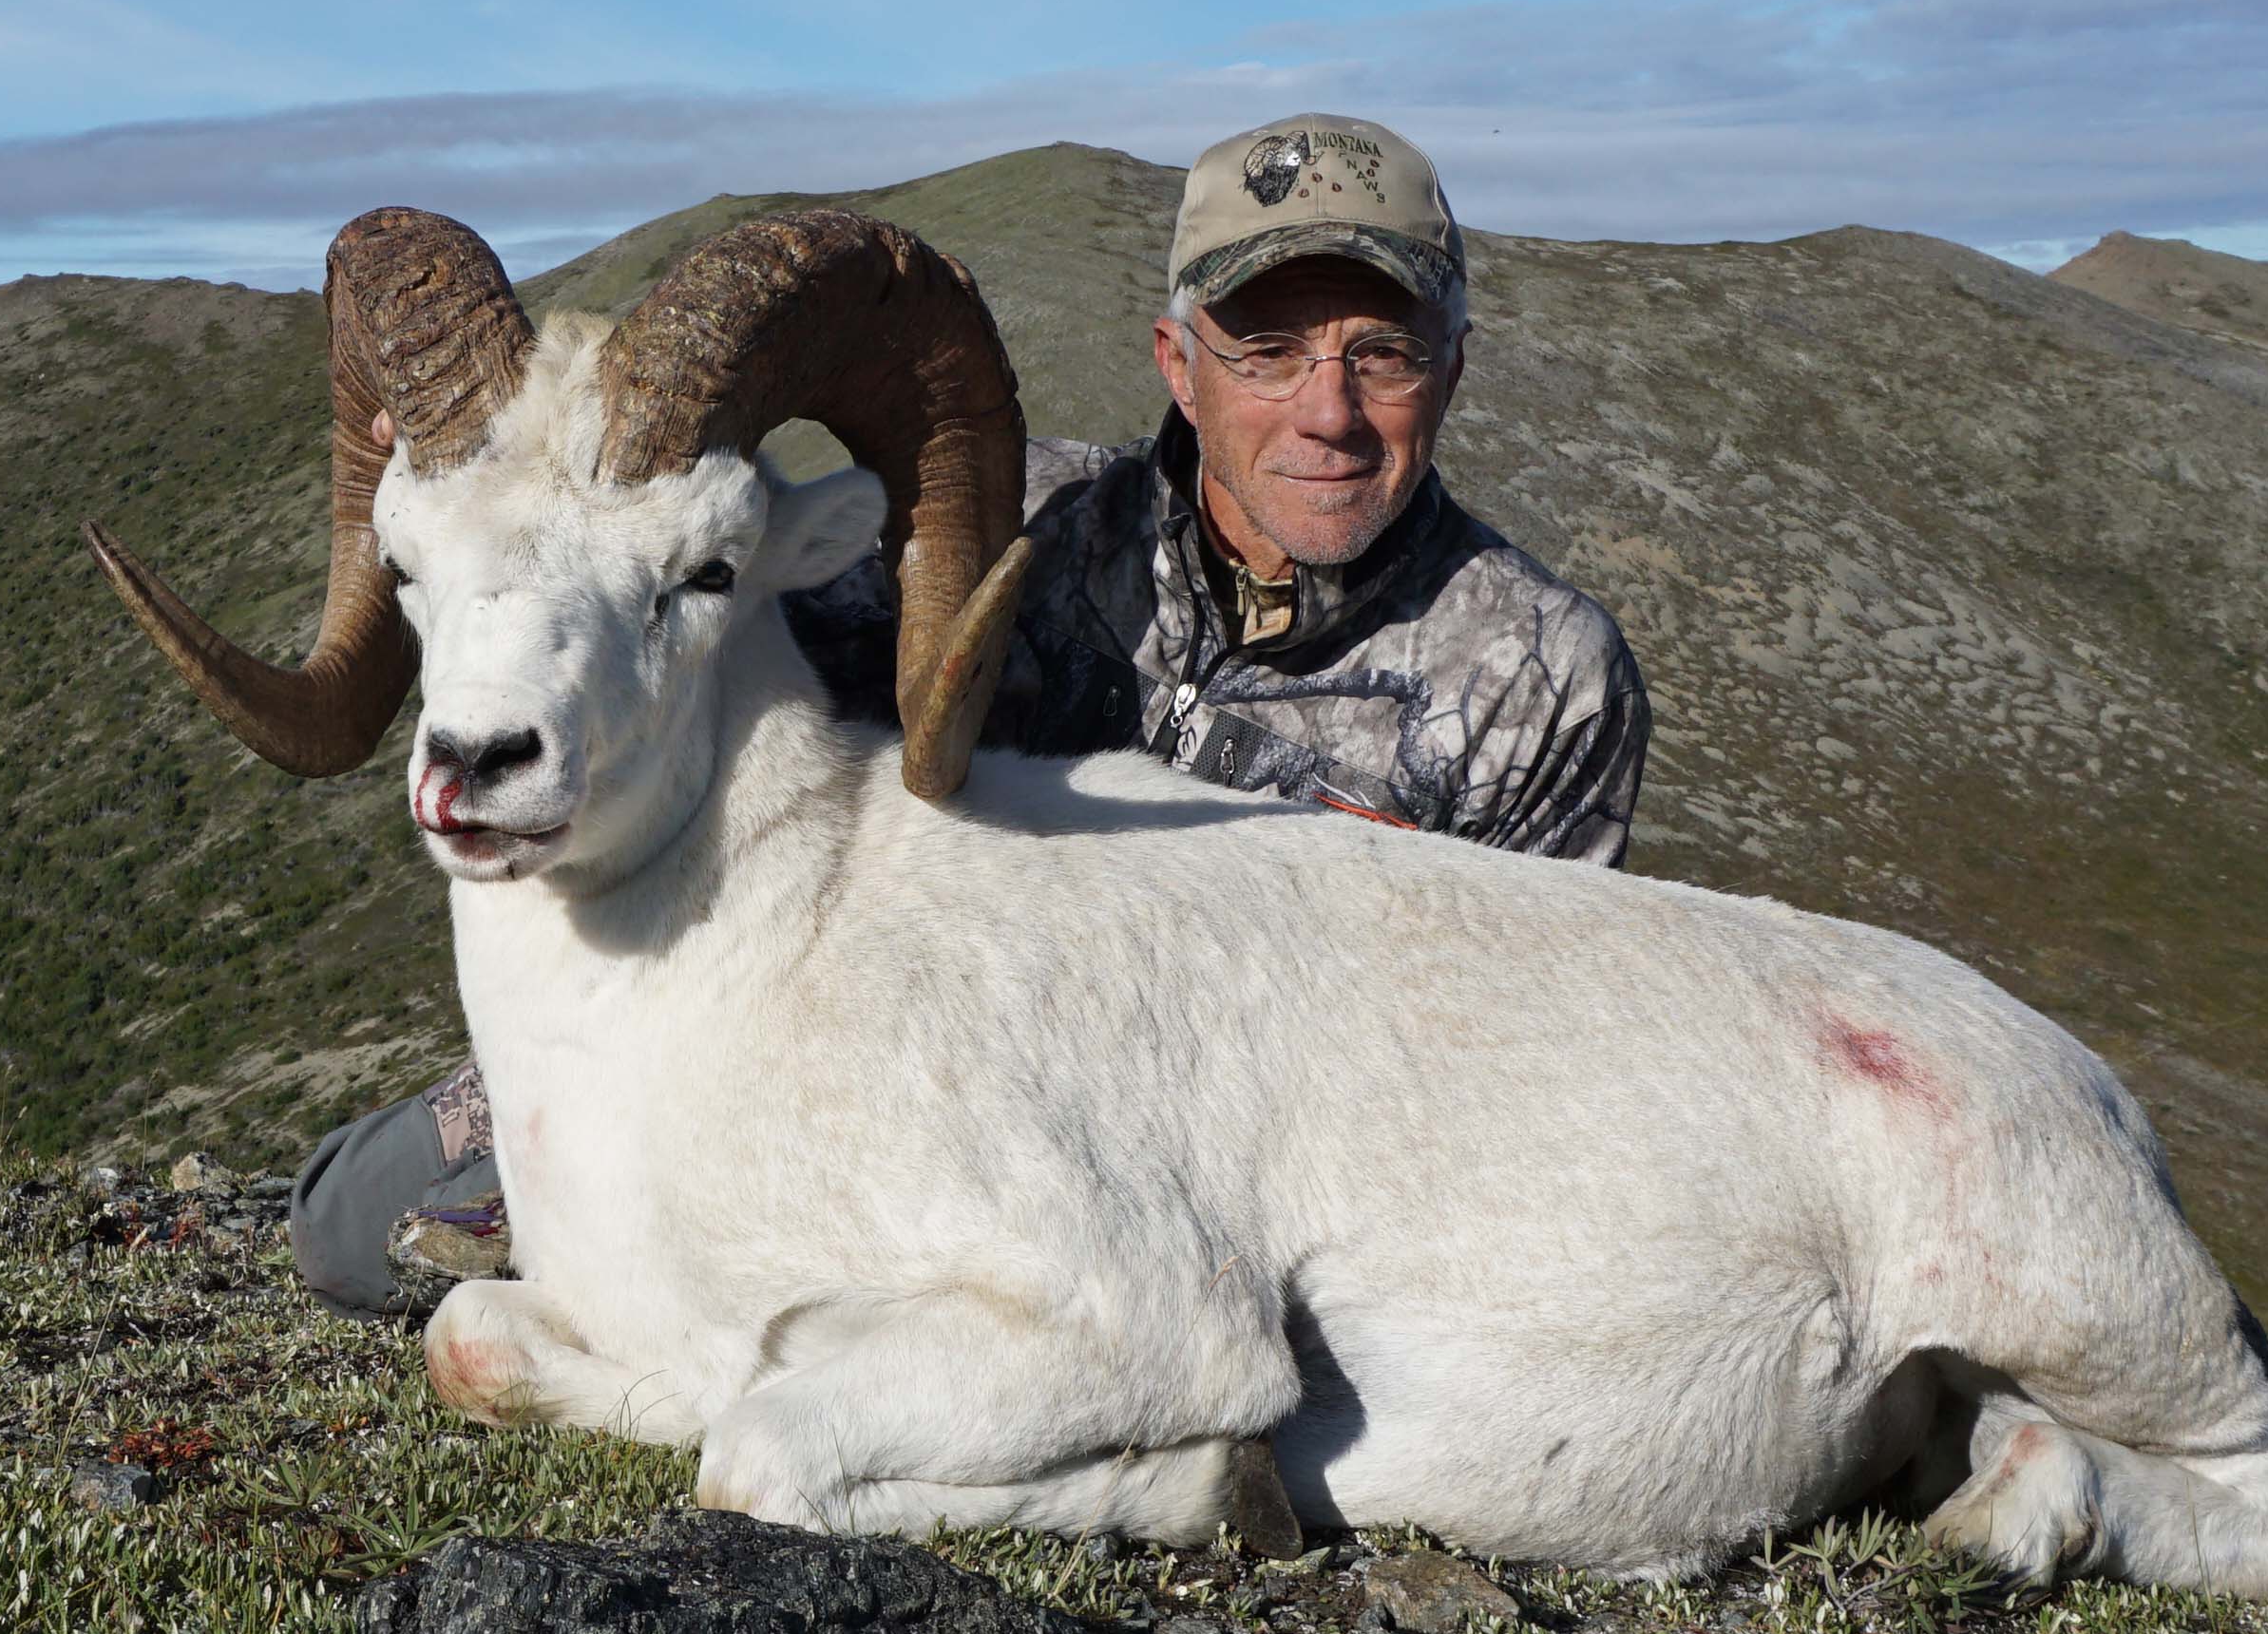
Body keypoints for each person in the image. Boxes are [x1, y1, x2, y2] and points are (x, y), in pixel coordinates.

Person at [287, 112, 1653, 1308]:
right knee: (352, 1231)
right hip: (845, 1069)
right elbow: (645, 651)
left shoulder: (1541, 681)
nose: (1329, 413)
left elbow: (1513, 1055)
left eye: (1387, 353)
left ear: (1455, 368)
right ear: (1180, 363)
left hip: (1266, 1173)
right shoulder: (985, 533)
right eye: (1268, 348)